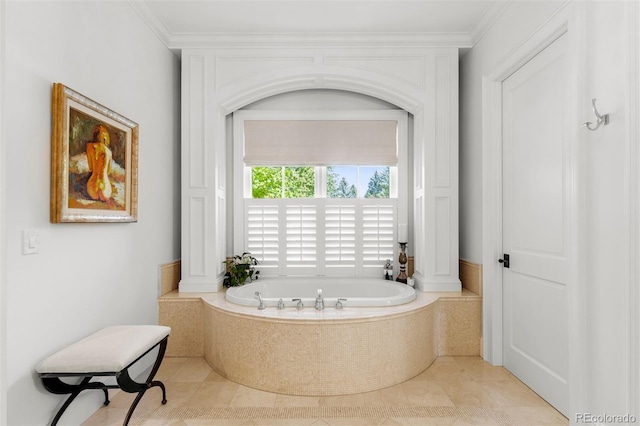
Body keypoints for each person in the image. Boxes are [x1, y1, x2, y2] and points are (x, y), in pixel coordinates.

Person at [85, 124, 113, 202]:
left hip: (92, 188)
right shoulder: (109, 152)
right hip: (105, 190)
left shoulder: (89, 147)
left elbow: (90, 168)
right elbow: (108, 172)